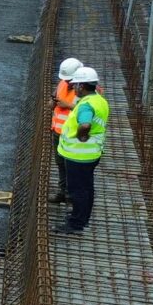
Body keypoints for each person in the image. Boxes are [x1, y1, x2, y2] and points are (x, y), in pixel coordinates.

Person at [55, 66, 109, 234]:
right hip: (92, 154)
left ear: (82, 86)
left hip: (79, 155)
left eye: (76, 85)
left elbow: (85, 124)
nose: (74, 87)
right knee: (87, 188)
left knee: (78, 190)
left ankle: (76, 224)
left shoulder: (85, 105)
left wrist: (81, 135)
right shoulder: (99, 100)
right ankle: (81, 217)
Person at [50, 57, 82, 204]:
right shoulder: (62, 83)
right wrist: (53, 102)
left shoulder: (86, 89)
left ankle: (72, 194)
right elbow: (54, 99)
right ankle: (62, 192)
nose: (68, 82)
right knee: (60, 164)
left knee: (71, 165)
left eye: (70, 80)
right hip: (57, 131)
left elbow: (88, 110)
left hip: (72, 134)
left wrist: (67, 105)